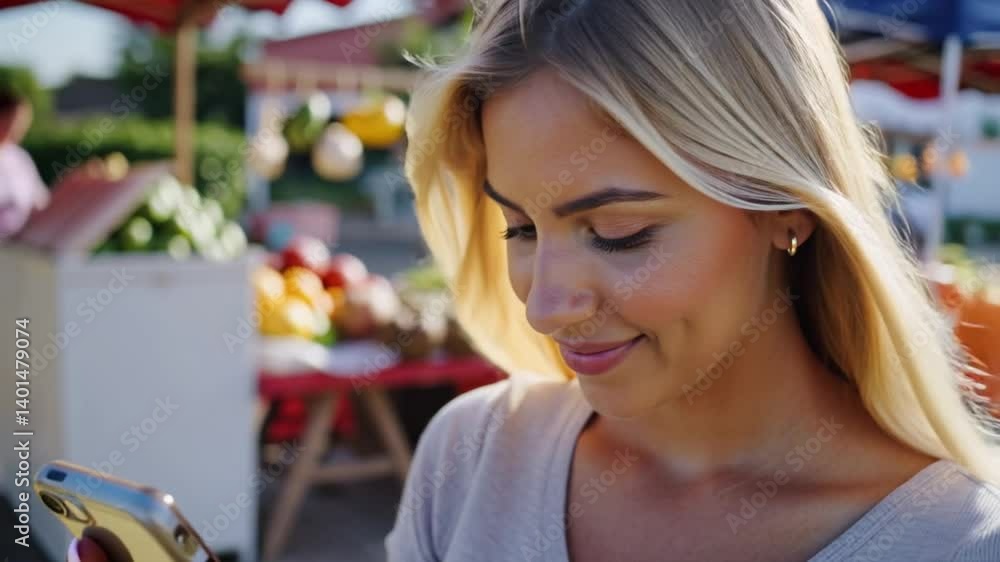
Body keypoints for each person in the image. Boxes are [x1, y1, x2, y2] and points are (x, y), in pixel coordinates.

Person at [71, 0, 1000, 561]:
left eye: (617, 231)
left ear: (787, 210)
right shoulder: (470, 459)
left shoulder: (957, 543)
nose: (545, 303)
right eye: (519, 225)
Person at [0, 89, 48, 239]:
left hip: (23, 243)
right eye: (14, 120)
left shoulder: (20, 158)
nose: (19, 128)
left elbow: (40, 202)